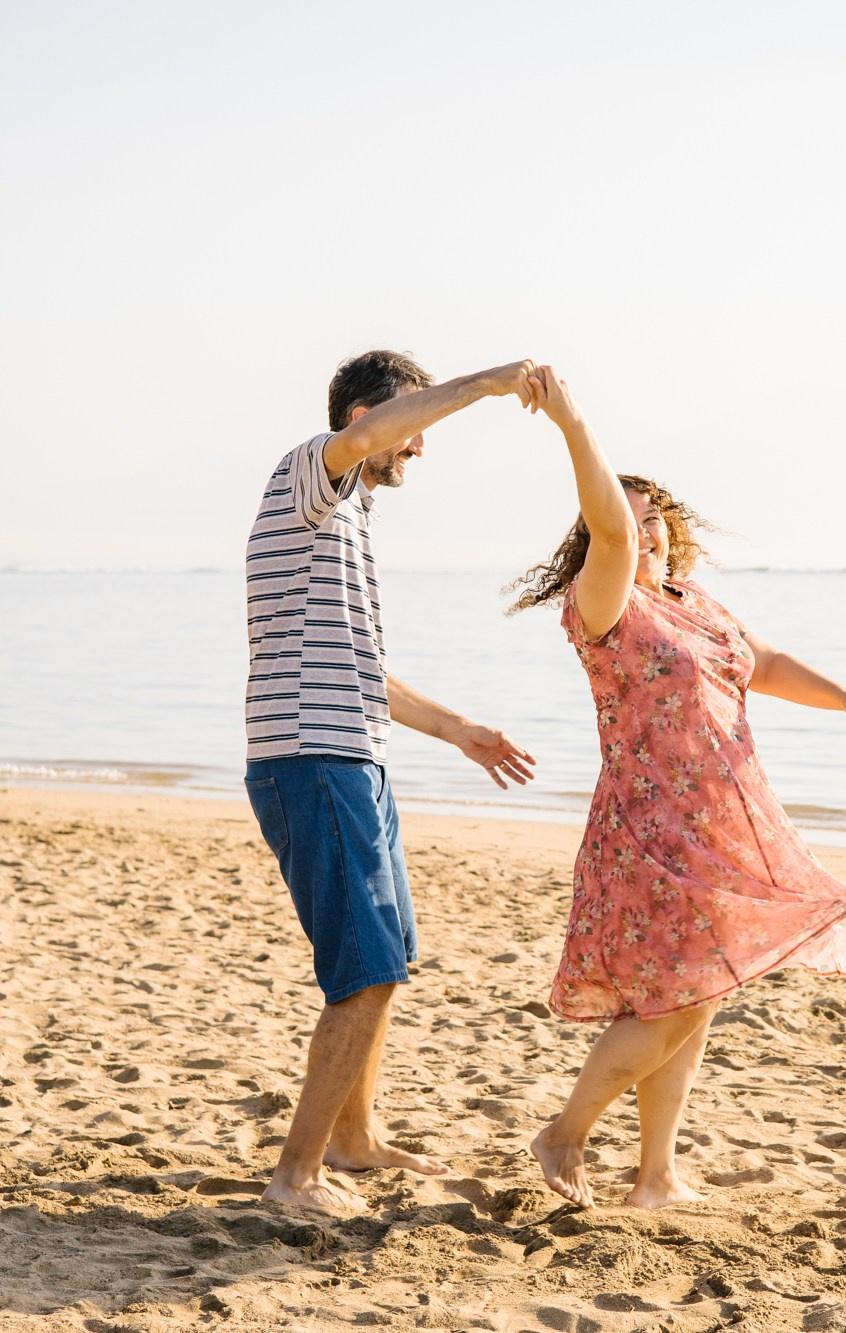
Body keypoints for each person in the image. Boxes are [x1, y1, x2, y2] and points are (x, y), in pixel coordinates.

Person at [508, 366, 846, 1210]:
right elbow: (610, 531)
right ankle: (565, 1133)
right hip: (650, 832)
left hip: (720, 827)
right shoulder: (605, 602)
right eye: (630, 523)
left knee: (697, 998)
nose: (645, 537)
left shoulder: (696, 603)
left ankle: (655, 1175)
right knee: (666, 1002)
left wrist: (843, 697)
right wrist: (573, 422)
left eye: (657, 526)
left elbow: (761, 663)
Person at [242, 349, 542, 1214]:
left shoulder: (349, 518)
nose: (418, 448)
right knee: (364, 970)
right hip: (314, 760)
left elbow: (365, 671)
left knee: (390, 959)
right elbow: (378, 432)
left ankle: (355, 1138)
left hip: (352, 757)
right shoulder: (309, 473)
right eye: (408, 427)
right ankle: (295, 1177)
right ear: (362, 419)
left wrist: (458, 730)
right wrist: (485, 386)